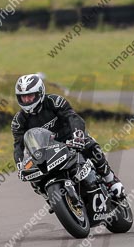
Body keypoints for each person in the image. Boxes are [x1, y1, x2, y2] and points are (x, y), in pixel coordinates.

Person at [11, 74, 124, 202]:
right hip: (45, 151)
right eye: (23, 97)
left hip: (69, 140)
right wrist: (20, 165)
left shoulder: (55, 101)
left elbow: (73, 117)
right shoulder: (18, 121)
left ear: (40, 93)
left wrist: (78, 136)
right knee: (31, 174)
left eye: (30, 96)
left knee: (90, 145)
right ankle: (49, 197)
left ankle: (110, 179)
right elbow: (18, 145)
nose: (27, 100)